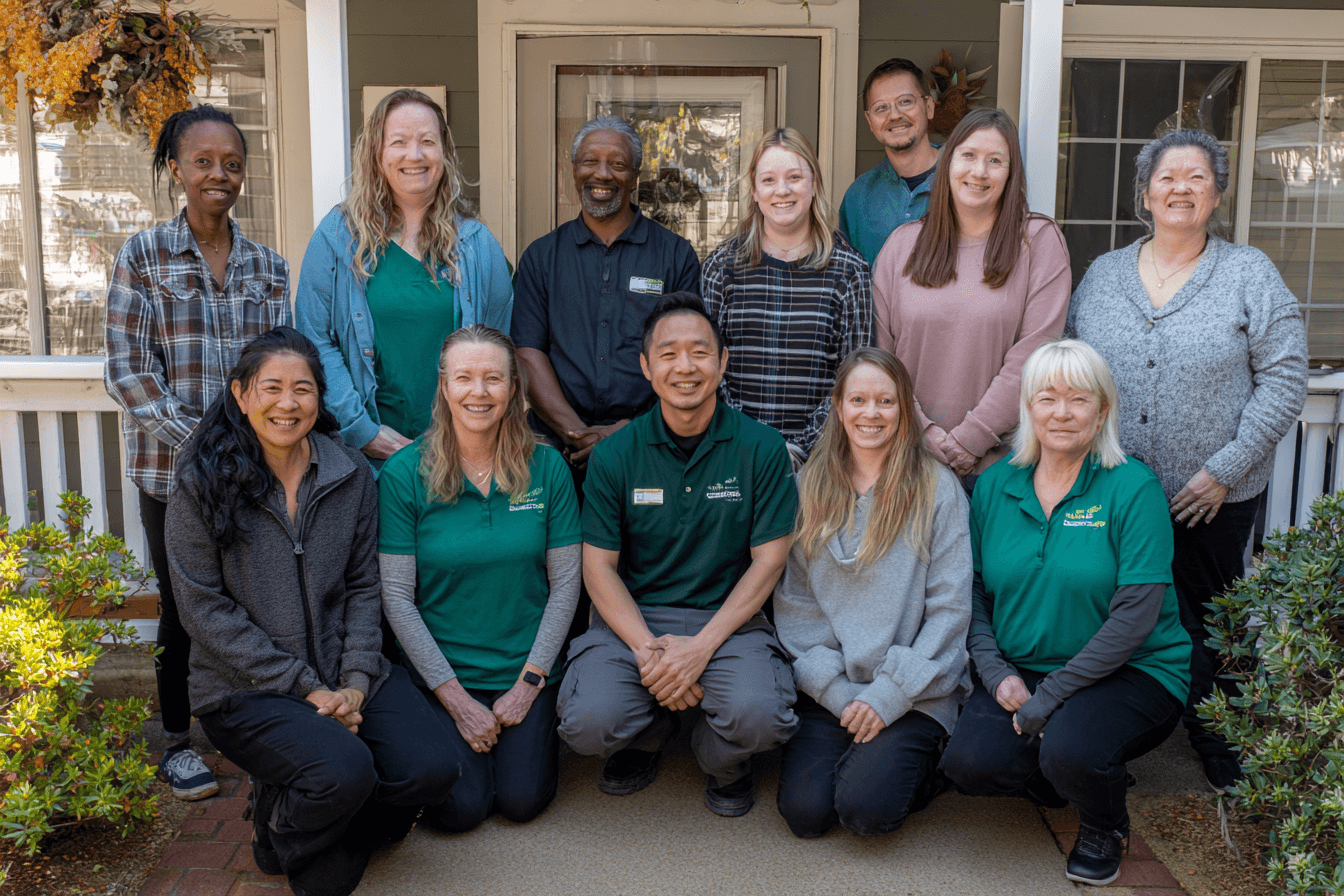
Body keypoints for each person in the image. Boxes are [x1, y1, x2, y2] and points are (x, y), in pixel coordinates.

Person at [166, 328, 459, 896]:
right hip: (245, 688)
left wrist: (352, 683)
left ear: (319, 400)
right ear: (240, 394)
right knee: (339, 798)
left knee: (432, 769)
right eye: (271, 387)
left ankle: (312, 804)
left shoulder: (349, 474)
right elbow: (203, 609)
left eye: (303, 389)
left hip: (342, 673)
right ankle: (282, 823)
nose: (288, 403)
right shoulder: (200, 481)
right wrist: (305, 688)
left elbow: (363, 588)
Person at [1066, 129, 1308, 790]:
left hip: (1211, 494)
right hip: (1116, 493)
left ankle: (1223, 747)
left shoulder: (1247, 273)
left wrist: (1222, 471)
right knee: (1112, 610)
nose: (1180, 189)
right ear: (1144, 193)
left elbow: (1285, 382)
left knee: (1211, 618)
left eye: (1196, 178)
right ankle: (1109, 735)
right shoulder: (1103, 275)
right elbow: (1071, 370)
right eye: (1167, 177)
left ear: (1217, 195)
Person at [940, 339, 1191, 886]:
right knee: (970, 765)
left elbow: (1135, 617)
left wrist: (1051, 697)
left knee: (1070, 748)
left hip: (1133, 670)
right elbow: (975, 593)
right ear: (1027, 406)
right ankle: (1070, 772)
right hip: (1024, 663)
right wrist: (996, 670)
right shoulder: (995, 484)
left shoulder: (1133, 488)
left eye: (1078, 399)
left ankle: (1104, 820)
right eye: (1047, 397)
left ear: (1102, 410)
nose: (1061, 412)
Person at [104, 104, 291, 802]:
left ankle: (248, 723)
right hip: (171, 477)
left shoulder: (268, 268)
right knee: (184, 606)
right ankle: (178, 740)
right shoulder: (143, 256)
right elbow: (127, 371)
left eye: (232, 163)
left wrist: (259, 445)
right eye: (204, 161)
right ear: (177, 169)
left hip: (253, 470)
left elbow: (279, 370)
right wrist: (205, 446)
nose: (219, 174)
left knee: (253, 596)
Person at [557, 293, 799, 817]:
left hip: (729, 621)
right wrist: (649, 654)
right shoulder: (617, 454)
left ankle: (719, 759)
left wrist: (700, 648)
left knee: (762, 718)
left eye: (699, 352)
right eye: (668, 354)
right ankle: (648, 733)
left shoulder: (761, 448)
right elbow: (597, 566)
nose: (685, 367)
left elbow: (770, 561)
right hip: (633, 621)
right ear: (646, 367)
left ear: (722, 362)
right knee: (587, 723)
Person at [377, 326, 581, 831]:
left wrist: (529, 684)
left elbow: (567, 585)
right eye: (464, 378)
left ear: (514, 388)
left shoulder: (548, 467)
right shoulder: (404, 473)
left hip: (525, 668)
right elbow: (398, 598)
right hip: (442, 674)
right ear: (443, 386)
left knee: (520, 801)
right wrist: (455, 698)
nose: (479, 392)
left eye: (493, 378)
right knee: (461, 811)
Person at [774, 347, 972, 839]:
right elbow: (796, 606)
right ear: (838, 408)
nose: (871, 413)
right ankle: (865, 758)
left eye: (885, 401)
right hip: (835, 688)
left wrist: (887, 696)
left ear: (904, 410)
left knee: (866, 811)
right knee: (805, 815)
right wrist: (839, 696)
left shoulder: (937, 489)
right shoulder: (808, 487)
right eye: (858, 399)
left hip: (914, 688)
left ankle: (927, 763)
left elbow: (949, 612)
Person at [296, 88, 512, 465]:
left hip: (457, 457)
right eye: (399, 142)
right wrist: (364, 432)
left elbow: (498, 353)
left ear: (444, 153)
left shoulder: (479, 247)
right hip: (362, 459)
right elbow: (316, 340)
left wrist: (466, 438)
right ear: (377, 152)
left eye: (427, 141)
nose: (415, 155)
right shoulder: (337, 237)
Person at [871, 107, 1071, 486]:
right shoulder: (902, 246)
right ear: (947, 164)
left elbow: (1034, 353)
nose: (979, 172)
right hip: (909, 463)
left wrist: (973, 437)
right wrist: (923, 434)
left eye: (995, 161)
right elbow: (882, 356)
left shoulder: (1038, 242)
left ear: (1011, 173)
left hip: (1002, 471)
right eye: (968, 156)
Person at [511, 116, 702, 472]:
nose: (602, 174)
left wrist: (628, 432)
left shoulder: (675, 256)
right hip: (553, 452)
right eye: (589, 161)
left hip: (651, 445)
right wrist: (577, 432)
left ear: (634, 176)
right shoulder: (541, 257)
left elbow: (686, 359)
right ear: (573, 170)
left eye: (617, 164)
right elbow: (527, 352)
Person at [701, 128, 872, 466]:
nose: (782, 191)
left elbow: (855, 374)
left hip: (822, 462)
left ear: (814, 185)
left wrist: (800, 449)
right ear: (754, 190)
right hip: (733, 455)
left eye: (794, 177)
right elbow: (708, 369)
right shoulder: (721, 268)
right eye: (768, 180)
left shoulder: (849, 271)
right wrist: (752, 445)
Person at [838, 58, 942, 267]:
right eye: (881, 108)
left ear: (929, 107)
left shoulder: (966, 181)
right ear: (870, 121)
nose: (894, 115)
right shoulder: (858, 197)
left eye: (905, 102)